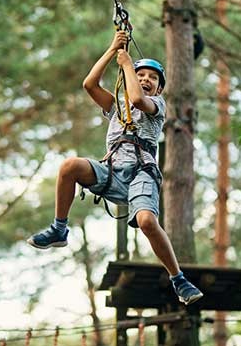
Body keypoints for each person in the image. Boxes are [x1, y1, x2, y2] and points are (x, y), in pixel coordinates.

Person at [26, 30, 203, 306]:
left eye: (152, 78)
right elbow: (89, 84)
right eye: (142, 75)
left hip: (141, 175)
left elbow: (136, 100)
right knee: (69, 166)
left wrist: (128, 66)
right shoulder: (117, 106)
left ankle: (178, 279)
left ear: (159, 89)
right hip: (112, 171)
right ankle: (59, 228)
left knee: (146, 221)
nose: (146, 80)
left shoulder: (157, 105)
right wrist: (112, 49)